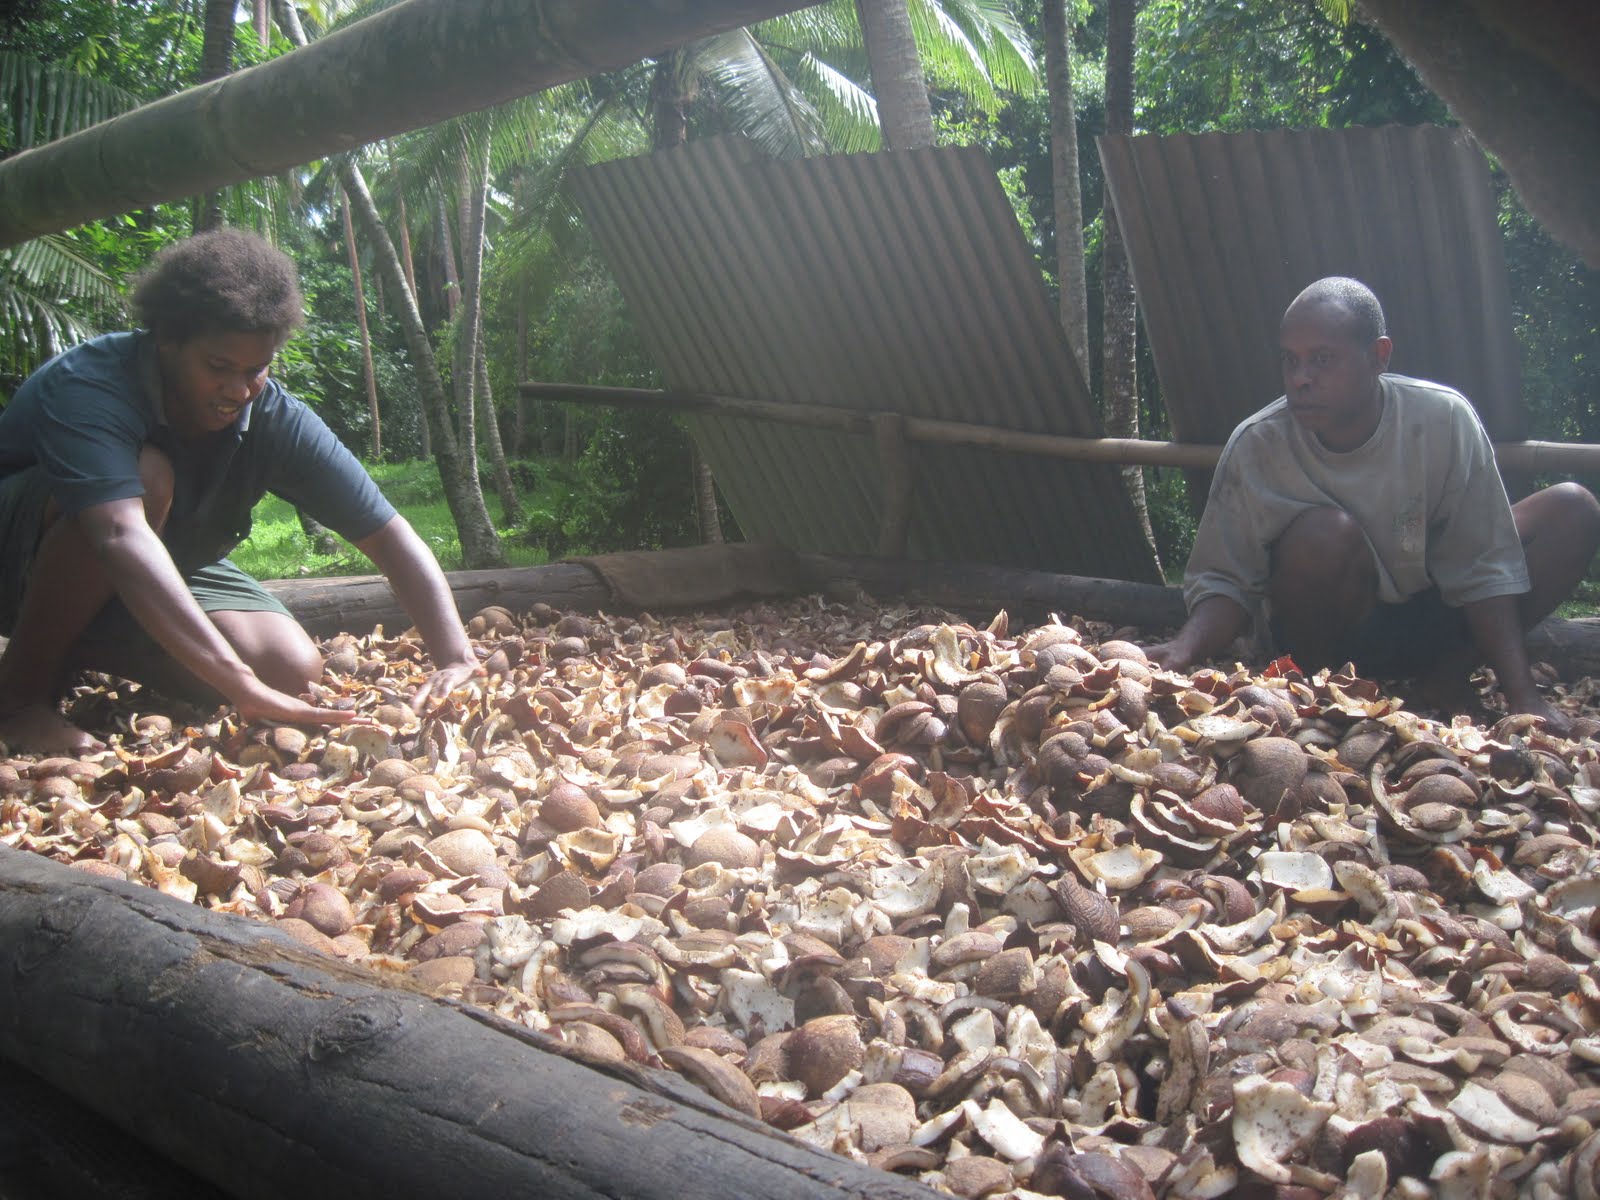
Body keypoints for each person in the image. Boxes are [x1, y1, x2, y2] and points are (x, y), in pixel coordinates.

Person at [0, 229, 482, 754]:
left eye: (255, 369)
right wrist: (236, 683)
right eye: (218, 368)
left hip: (162, 556)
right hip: (28, 553)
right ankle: (20, 698)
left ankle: (75, 645)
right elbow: (118, 535)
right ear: (167, 339)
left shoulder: (274, 416)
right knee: (147, 480)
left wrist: (456, 657)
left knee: (290, 670)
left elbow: (388, 535)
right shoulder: (92, 385)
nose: (238, 390)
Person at [1145, 276, 1600, 730]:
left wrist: (1522, 694)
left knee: (1573, 509)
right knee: (1325, 534)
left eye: (1323, 360)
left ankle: (1446, 677)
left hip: (1433, 612)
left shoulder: (1442, 420)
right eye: (1291, 361)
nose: (1301, 379)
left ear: (1378, 356)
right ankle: (1326, 700)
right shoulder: (1257, 445)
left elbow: (1484, 561)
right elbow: (1226, 578)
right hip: (1335, 635)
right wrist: (1183, 649)